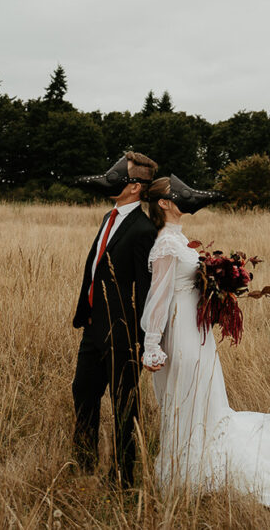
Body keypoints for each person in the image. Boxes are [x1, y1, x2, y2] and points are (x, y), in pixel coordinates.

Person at [140, 175, 270, 512]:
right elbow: (158, 297)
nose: (186, 197)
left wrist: (222, 281)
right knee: (186, 398)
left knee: (205, 399)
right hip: (180, 334)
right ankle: (186, 471)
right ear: (163, 203)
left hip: (197, 329)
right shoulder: (164, 244)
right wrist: (152, 344)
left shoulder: (179, 240)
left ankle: (200, 464)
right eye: (178, 194)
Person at [71, 152, 159, 488]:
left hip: (123, 332)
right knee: (83, 391)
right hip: (93, 325)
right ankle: (83, 463)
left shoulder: (142, 230)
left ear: (135, 187)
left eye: (118, 175)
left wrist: (139, 337)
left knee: (124, 405)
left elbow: (147, 289)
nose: (110, 179)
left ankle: (122, 477)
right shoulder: (110, 216)